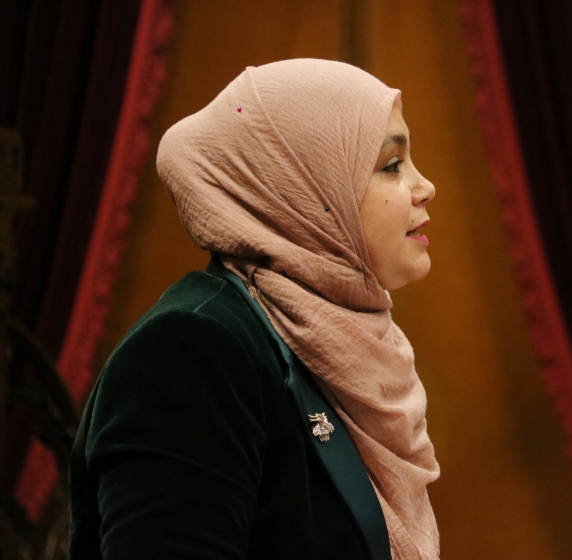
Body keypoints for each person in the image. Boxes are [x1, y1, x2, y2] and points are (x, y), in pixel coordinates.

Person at [68, 59, 440, 560]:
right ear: (303, 187)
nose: (424, 187)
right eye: (392, 165)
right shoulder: (191, 351)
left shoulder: (345, 339)